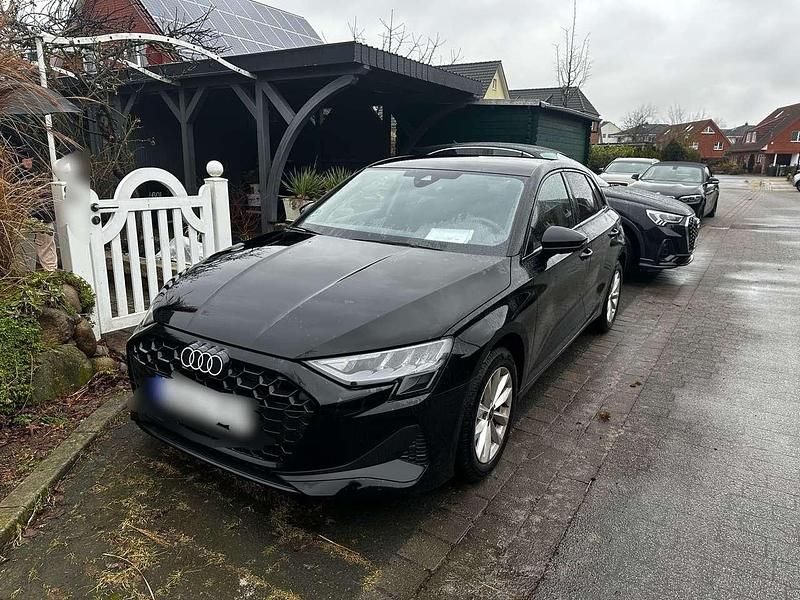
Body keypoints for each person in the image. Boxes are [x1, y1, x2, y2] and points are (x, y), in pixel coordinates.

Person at [20, 154, 58, 271]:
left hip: (39, 214)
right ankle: (50, 273)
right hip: (34, 214)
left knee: (44, 243)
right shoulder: (41, 168)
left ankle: (50, 273)